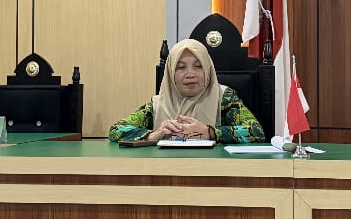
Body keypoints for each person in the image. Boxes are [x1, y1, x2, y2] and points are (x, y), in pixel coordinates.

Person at [109, 38, 265, 145]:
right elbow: (116, 130)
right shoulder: (158, 104)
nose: (190, 74)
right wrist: (154, 135)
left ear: (208, 71)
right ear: (171, 74)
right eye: (181, 67)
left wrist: (210, 133)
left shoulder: (223, 98)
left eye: (198, 66)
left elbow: (256, 132)